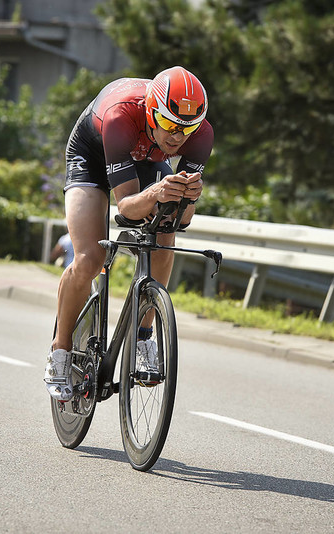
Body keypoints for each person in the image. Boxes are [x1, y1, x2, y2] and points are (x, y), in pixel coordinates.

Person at [44, 66, 214, 401]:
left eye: (187, 129)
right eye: (169, 124)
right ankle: (60, 348)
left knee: (165, 235)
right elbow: (126, 208)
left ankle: (143, 335)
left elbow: (183, 219)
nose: (177, 137)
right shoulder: (120, 117)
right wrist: (157, 193)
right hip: (92, 153)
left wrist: (189, 197)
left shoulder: (201, 134)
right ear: (152, 112)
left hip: (146, 158)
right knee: (90, 258)